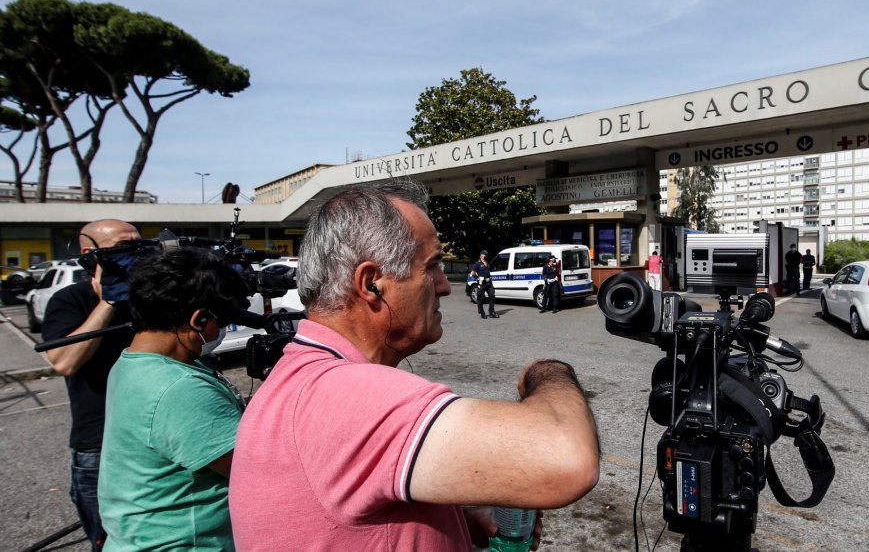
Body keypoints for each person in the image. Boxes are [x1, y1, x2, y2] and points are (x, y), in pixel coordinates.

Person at [229, 183, 600, 551]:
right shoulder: (347, 395)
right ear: (371, 284)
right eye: (433, 266)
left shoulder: (303, 375)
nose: (445, 287)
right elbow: (566, 458)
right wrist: (549, 371)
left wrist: (449, 525)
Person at [98, 247, 250, 551]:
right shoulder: (179, 388)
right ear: (198, 319)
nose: (221, 330)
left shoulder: (133, 362)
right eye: (221, 321)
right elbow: (255, 469)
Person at [42, 219, 140, 551]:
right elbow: (64, 362)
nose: (134, 253)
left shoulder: (147, 297)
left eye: (138, 245)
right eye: (124, 246)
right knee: (111, 541)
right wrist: (108, 303)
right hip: (99, 444)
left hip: (152, 436)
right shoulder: (70, 300)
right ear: (91, 254)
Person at [470, 248, 499, 319]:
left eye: (486, 254)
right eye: (484, 254)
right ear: (481, 255)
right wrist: (478, 277)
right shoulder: (477, 264)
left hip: (489, 283)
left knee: (492, 296)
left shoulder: (487, 262)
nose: (486, 255)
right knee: (480, 298)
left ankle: (491, 312)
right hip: (481, 283)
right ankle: (482, 313)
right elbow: (473, 273)